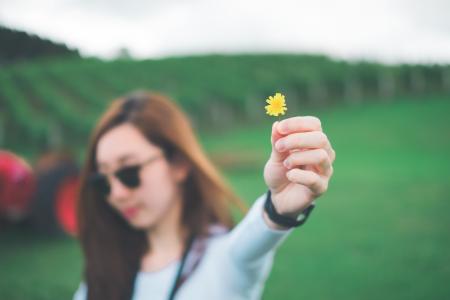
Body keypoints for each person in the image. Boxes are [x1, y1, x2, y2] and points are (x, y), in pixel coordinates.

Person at [73, 90, 336, 300]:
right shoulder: (103, 271)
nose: (116, 194)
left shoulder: (226, 260)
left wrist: (278, 208)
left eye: (129, 172)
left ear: (178, 164)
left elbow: (257, 236)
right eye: (103, 181)